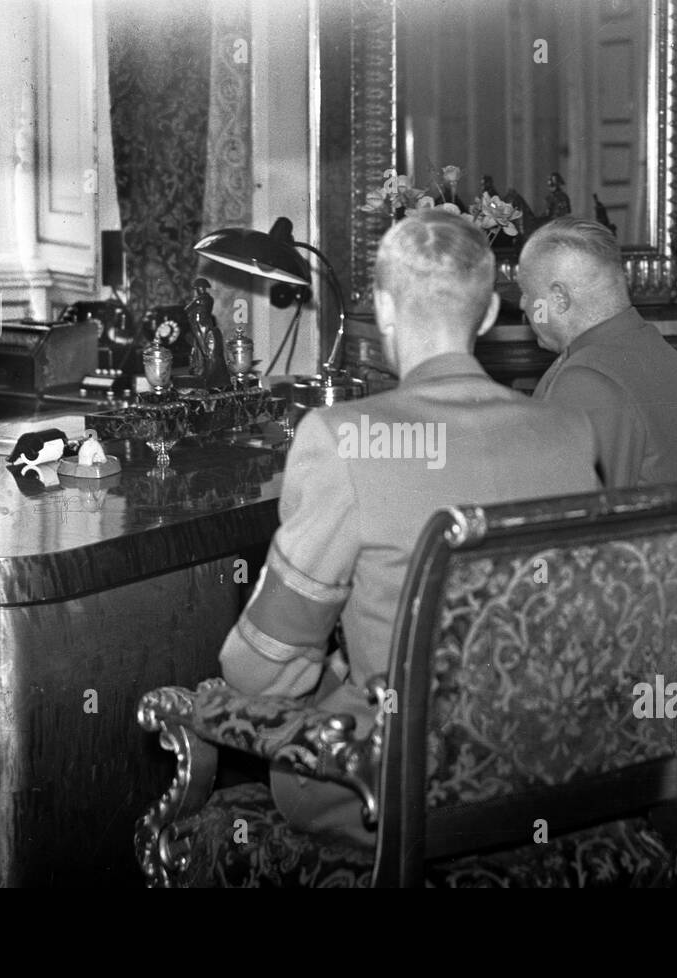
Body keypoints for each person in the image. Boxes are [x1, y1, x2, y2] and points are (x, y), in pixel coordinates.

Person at [218, 210, 600, 846]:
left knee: (291, 773)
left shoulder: (345, 439)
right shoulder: (566, 432)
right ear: (484, 318)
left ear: (385, 308)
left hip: (403, 784)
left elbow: (262, 670)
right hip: (553, 766)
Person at [518, 217, 677, 488]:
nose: (523, 305)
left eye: (527, 294)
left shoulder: (586, 378)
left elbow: (573, 513)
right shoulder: (662, 353)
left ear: (560, 298)